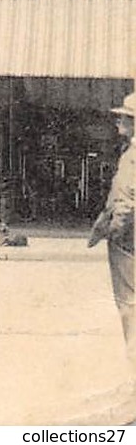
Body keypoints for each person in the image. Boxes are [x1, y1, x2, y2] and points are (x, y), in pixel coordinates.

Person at [90, 93, 136, 368]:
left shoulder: (133, 156)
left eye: (124, 117)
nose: (118, 121)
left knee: (129, 300)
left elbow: (127, 199)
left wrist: (116, 231)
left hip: (129, 236)